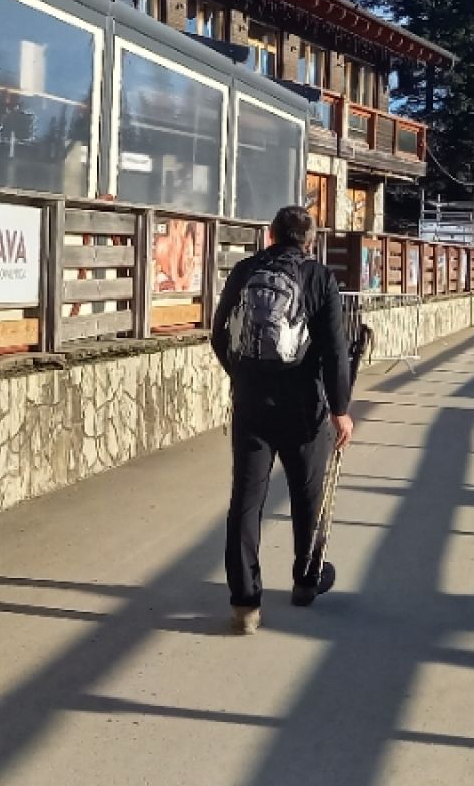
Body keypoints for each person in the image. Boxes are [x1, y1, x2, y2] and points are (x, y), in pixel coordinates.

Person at [211, 205, 353, 634]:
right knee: (308, 496)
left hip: (252, 404)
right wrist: (341, 410)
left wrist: (241, 376)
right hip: (303, 407)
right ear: (310, 241)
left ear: (271, 235)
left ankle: (244, 603)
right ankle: (306, 582)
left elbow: (219, 334)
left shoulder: (244, 271)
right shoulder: (319, 278)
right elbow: (335, 351)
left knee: (246, 501)